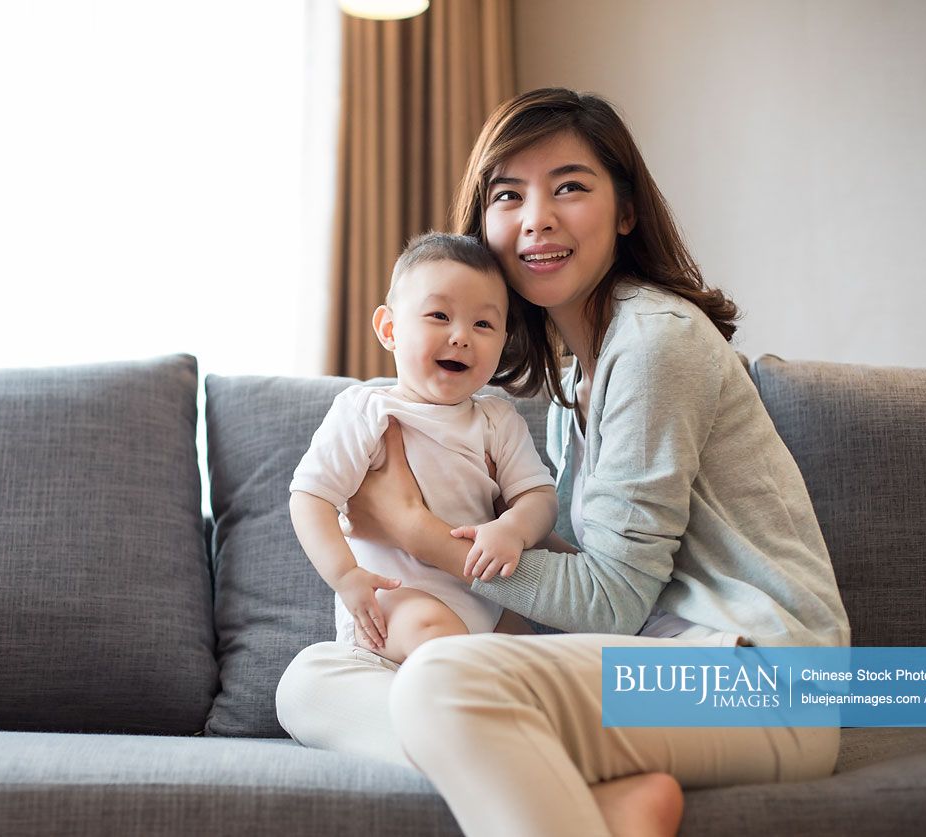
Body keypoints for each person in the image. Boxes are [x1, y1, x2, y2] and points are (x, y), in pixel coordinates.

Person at [276, 88, 850, 837]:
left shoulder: (653, 343)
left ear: (624, 211)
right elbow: (590, 575)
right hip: (656, 666)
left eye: (569, 187)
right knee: (310, 680)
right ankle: (586, 799)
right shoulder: (576, 372)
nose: (535, 217)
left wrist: (414, 529)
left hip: (756, 679)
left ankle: (523, 768)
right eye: (507, 194)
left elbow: (610, 600)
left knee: (445, 679)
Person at [289, 232, 558, 664]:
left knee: (544, 665)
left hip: (485, 604)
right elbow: (310, 497)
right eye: (439, 315)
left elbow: (540, 498)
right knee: (438, 640)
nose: (461, 336)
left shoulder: (498, 419)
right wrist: (345, 575)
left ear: (504, 341)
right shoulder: (367, 412)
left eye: (483, 324)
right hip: (396, 602)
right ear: (390, 329)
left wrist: (513, 528)